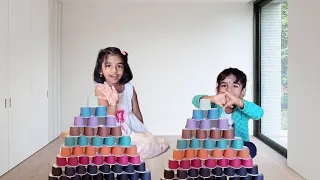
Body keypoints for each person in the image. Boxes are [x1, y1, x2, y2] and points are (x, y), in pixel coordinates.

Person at [94, 47, 169, 160]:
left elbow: (136, 111)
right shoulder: (101, 88)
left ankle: (149, 145)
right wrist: (113, 103)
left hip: (130, 126)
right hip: (112, 128)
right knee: (105, 148)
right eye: (108, 66)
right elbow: (105, 117)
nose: (114, 71)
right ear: (101, 70)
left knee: (146, 144)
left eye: (119, 66)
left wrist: (143, 131)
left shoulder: (129, 87)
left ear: (124, 69)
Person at [192, 67, 264, 158]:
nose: (229, 90)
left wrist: (240, 102)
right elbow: (195, 100)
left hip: (237, 143)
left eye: (235, 86)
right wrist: (212, 99)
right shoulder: (214, 105)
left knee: (251, 148)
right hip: (215, 142)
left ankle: (233, 160)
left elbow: (259, 113)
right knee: (199, 147)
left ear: (243, 92)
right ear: (218, 89)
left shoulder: (243, 107)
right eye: (224, 85)